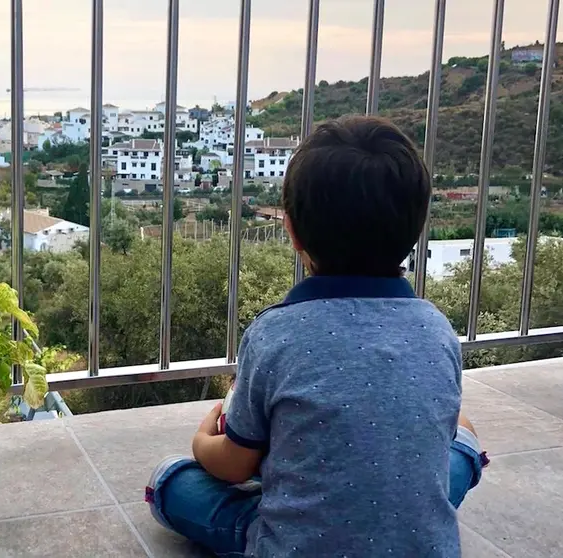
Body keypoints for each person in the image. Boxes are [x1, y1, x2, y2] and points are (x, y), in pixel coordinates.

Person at [145, 116, 488, 557]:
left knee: (171, 479)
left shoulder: (276, 333)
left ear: (290, 229)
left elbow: (233, 466)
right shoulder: (435, 328)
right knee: (462, 441)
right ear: (416, 228)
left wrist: (200, 439)